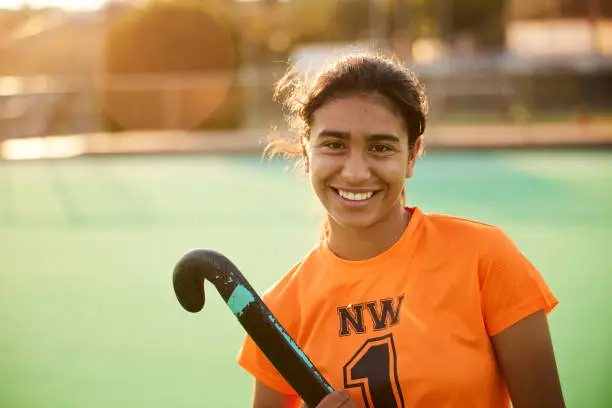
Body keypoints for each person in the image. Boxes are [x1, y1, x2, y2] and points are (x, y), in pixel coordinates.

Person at [236, 53, 565, 408]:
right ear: (306, 148)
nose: (356, 172)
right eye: (334, 145)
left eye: (380, 148)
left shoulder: (484, 258)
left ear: (412, 155)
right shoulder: (279, 311)